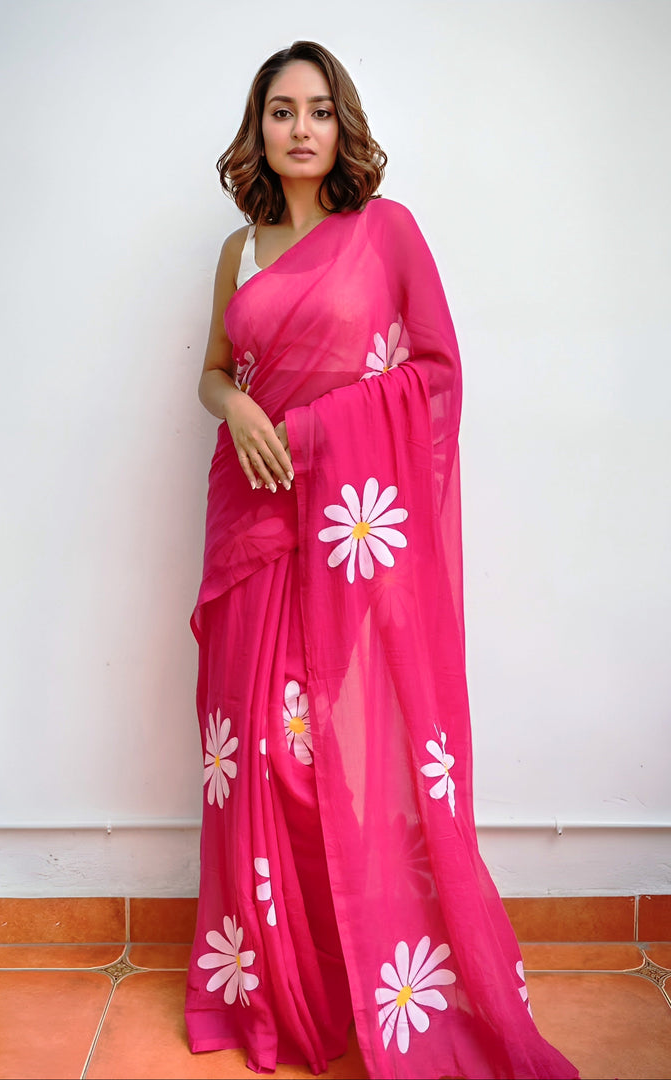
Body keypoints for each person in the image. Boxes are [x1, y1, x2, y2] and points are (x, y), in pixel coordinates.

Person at [184, 40, 578, 1080]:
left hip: (350, 528)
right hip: (252, 520)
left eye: (318, 109)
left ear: (342, 123)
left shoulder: (385, 232)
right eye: (281, 110)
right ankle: (288, 984)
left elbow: (437, 373)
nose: (300, 128)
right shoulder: (241, 249)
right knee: (260, 754)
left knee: (334, 754)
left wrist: (317, 432)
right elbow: (215, 374)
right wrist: (237, 412)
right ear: (258, 128)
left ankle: (377, 980)